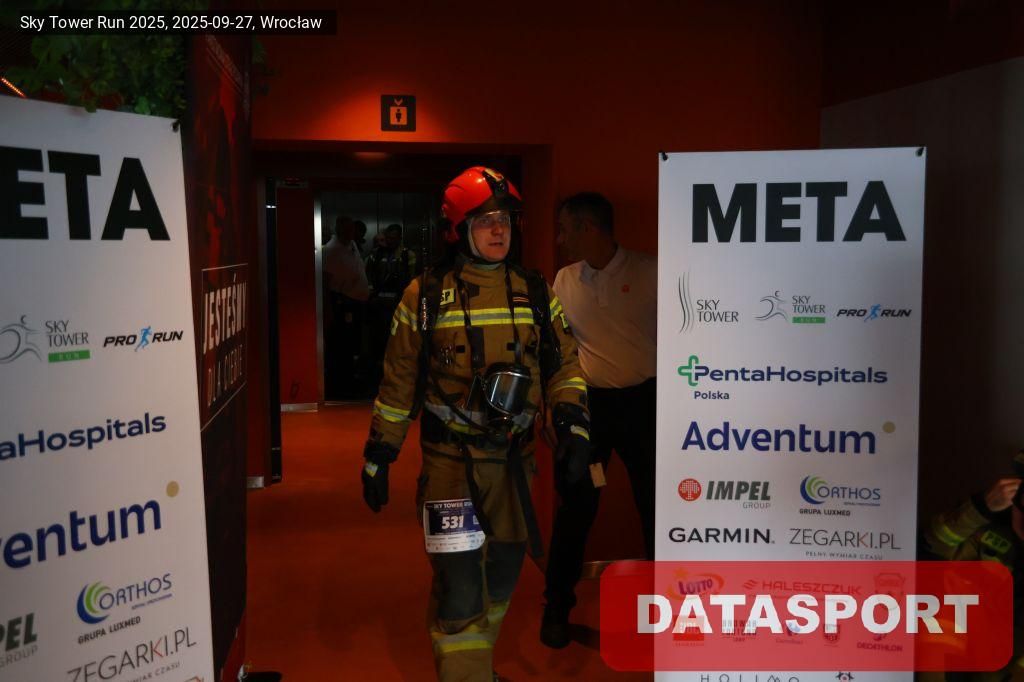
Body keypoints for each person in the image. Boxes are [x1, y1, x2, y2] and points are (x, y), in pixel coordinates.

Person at [360, 167, 592, 682]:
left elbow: (564, 366)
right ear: (457, 229)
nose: (499, 229)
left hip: (513, 465)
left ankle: (475, 668)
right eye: (485, 220)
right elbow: (398, 382)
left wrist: (574, 423)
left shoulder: (536, 291)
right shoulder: (424, 297)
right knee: (461, 586)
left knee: (505, 571)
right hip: (450, 469)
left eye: (505, 219)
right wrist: (380, 453)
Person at [541, 192, 658, 649]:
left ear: (588, 228)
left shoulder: (651, 271)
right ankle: (556, 608)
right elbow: (555, 347)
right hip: (589, 409)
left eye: (565, 229)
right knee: (575, 508)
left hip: (646, 405)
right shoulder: (565, 279)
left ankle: (666, 609)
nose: (560, 239)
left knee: (656, 508)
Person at [920, 451, 1024, 681]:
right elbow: (931, 546)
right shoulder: (993, 535)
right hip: (980, 653)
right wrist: (980, 508)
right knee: (943, 599)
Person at [365, 224, 418, 391]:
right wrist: (371, 297)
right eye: (388, 238)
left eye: (394, 238)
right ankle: (375, 378)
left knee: (398, 341)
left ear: (400, 238)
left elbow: (412, 278)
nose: (390, 241)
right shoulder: (376, 254)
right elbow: (368, 275)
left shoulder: (407, 255)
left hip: (398, 304)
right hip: (379, 305)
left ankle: (397, 376)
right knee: (378, 342)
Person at [322, 216, 370, 397]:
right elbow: (325, 283)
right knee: (341, 345)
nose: (352, 233)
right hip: (341, 303)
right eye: (348, 229)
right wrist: (328, 310)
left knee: (352, 344)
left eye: (353, 229)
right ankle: (340, 384)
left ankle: (350, 379)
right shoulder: (331, 250)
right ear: (340, 229)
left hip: (355, 303)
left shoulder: (351, 245)